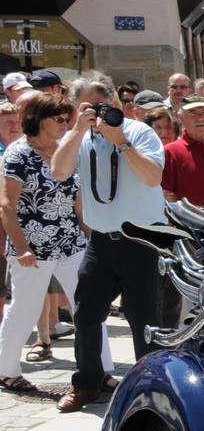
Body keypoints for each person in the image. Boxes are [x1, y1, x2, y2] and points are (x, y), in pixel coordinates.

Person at [49, 78, 166, 413]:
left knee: (144, 319)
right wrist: (76, 130)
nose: (97, 113)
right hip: (101, 241)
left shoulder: (139, 132)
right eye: (88, 106)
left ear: (113, 102)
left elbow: (153, 177)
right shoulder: (79, 137)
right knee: (86, 314)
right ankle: (87, 384)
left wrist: (121, 142)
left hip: (142, 240)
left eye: (102, 105)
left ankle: (149, 389)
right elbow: (58, 171)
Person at [0, 94, 106, 394]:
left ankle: (100, 371)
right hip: (32, 245)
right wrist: (21, 247)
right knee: (25, 308)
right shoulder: (19, 153)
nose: (64, 124)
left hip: (72, 241)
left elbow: (78, 204)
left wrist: (92, 239)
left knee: (90, 306)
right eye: (58, 119)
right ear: (38, 120)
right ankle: (6, 370)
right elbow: (6, 205)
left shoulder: (64, 150)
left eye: (67, 119)